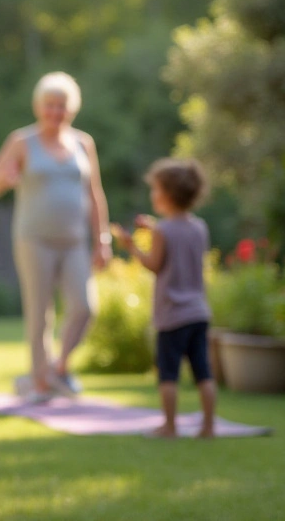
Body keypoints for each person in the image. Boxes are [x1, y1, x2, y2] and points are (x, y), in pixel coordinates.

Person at [0, 71, 111, 402]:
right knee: (40, 313)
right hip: (33, 238)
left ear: (72, 109)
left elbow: (95, 194)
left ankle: (60, 367)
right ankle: (39, 381)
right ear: (39, 106)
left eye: (62, 106)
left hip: (74, 240)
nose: (56, 112)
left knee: (84, 307)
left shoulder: (83, 143)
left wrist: (102, 239)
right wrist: (3, 180)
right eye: (50, 105)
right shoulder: (22, 142)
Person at [112, 158, 216, 439]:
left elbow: (154, 264)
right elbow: (178, 239)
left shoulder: (163, 231)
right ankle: (208, 426)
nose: (153, 195)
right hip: (198, 312)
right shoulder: (199, 227)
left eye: (156, 189)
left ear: (167, 195)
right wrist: (153, 228)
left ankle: (169, 427)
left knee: (168, 374)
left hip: (172, 315)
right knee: (203, 373)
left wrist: (131, 246)